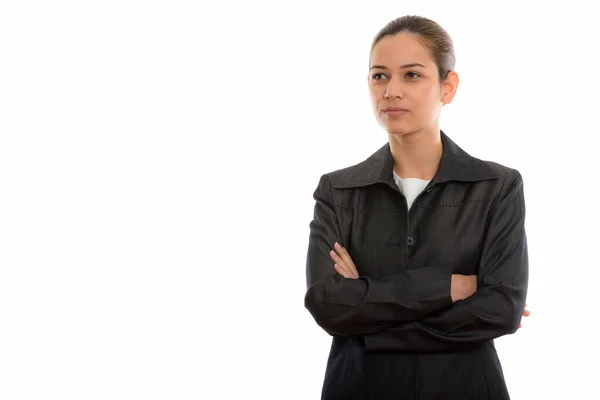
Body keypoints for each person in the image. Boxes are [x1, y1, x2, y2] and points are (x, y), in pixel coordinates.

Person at [304, 15, 530, 400]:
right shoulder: (338, 190)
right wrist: (449, 287)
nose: (391, 91)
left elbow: (501, 309)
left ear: (448, 86)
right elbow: (327, 305)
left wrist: (367, 303)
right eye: (379, 76)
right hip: (359, 387)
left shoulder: (497, 186)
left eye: (411, 75)